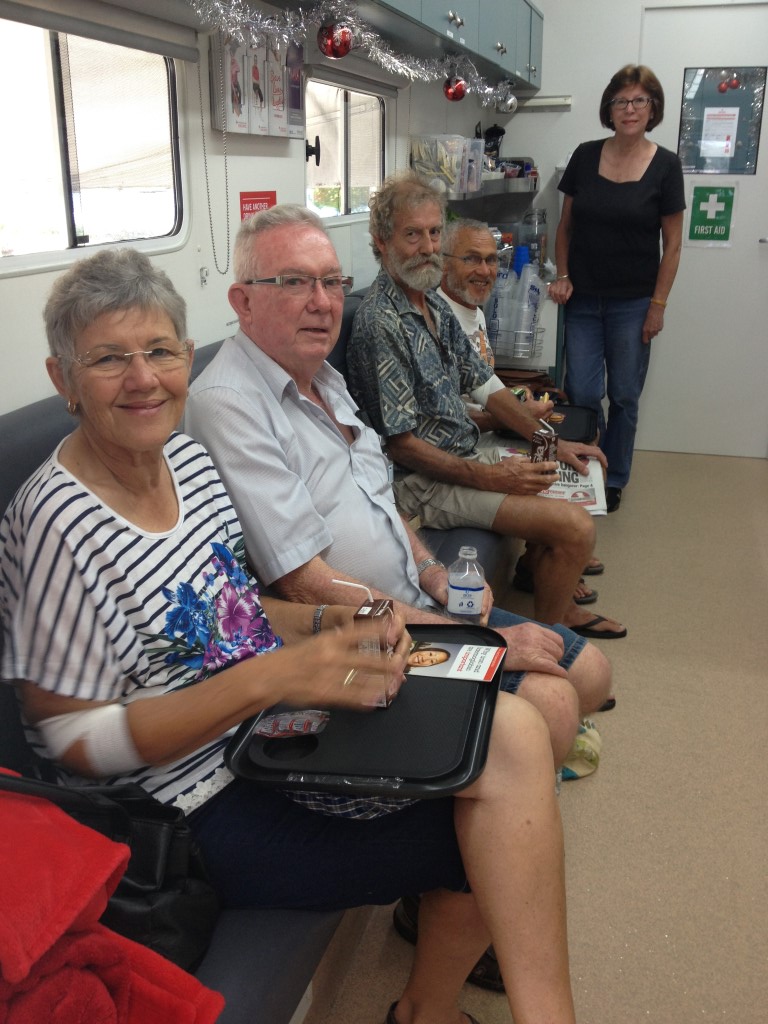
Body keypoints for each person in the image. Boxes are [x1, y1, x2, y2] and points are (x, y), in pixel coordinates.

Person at [0, 247, 580, 1024]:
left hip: (272, 733)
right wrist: (274, 679)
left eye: (161, 351)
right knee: (494, 827)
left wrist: (326, 623)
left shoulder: (187, 459)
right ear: (62, 378)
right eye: (108, 359)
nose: (143, 379)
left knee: (509, 727)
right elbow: (72, 740)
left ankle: (432, 1011)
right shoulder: (53, 523)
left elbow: (231, 607)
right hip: (186, 805)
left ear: (183, 358)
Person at [185, 205, 614, 773]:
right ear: (243, 302)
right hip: (360, 634)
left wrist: (433, 572)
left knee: (590, 672)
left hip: (413, 597)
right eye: (294, 282)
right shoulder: (228, 404)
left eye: (332, 282)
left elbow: (379, 500)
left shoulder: (323, 379)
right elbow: (303, 584)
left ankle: (510, 766)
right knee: (554, 704)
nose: (322, 301)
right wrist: (470, 637)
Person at [347, 172, 626, 640]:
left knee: (564, 472)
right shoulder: (380, 323)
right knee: (576, 529)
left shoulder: (430, 303)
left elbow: (487, 388)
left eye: (435, 232)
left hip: (466, 452)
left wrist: (550, 442)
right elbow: (402, 447)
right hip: (422, 484)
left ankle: (541, 585)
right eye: (412, 234)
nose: (428, 246)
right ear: (382, 241)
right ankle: (553, 635)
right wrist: (493, 477)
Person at [438, 217, 606, 606]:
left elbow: (484, 382)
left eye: (491, 260)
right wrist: (516, 415)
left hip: (487, 423)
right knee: (555, 466)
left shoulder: (473, 309)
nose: (485, 271)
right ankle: (557, 565)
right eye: (471, 260)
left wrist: (522, 399)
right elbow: (453, 418)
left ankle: (540, 563)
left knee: (578, 439)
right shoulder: (441, 319)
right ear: (443, 264)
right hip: (472, 438)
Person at [549, 64, 685, 513]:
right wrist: (563, 274)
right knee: (583, 392)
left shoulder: (666, 166)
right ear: (610, 108)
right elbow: (565, 227)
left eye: (639, 101)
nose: (629, 109)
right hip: (584, 299)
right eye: (621, 101)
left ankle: (615, 475)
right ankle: (589, 464)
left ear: (653, 108)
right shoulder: (585, 156)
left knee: (624, 394)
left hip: (634, 303)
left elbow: (673, 245)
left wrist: (658, 305)